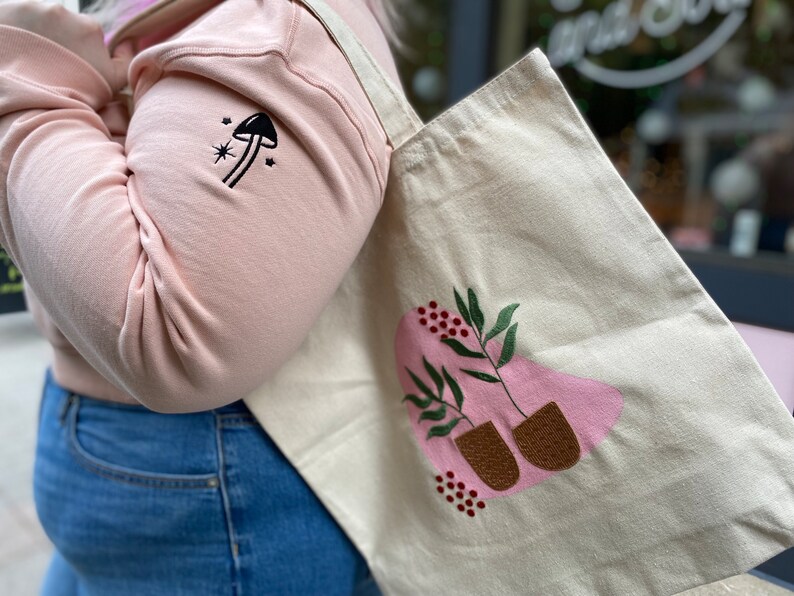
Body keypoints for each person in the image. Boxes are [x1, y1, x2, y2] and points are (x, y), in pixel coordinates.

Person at [0, 0, 407, 592]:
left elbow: (171, 340)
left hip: (212, 491)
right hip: (164, 481)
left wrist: (27, 78)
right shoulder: (195, 21)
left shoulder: (274, 40)